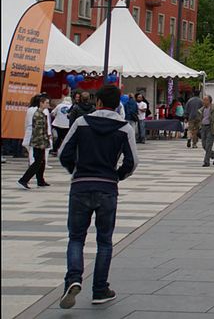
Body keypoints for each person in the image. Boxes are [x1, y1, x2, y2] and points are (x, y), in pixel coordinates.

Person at [57, 84, 137, 309]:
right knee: (104, 240)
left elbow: (64, 153)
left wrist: (75, 171)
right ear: (117, 104)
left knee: (76, 237)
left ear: (98, 102)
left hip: (81, 186)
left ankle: (73, 279)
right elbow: (133, 162)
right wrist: (117, 176)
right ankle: (100, 289)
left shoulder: (82, 123)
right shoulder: (124, 128)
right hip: (107, 188)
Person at [18, 94, 52, 189]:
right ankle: (24, 179)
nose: (48, 104)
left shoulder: (42, 113)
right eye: (46, 103)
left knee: (42, 161)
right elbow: (38, 130)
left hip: (41, 141)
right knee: (38, 162)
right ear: (41, 103)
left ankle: (40, 180)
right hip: (38, 142)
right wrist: (42, 142)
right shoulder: (37, 114)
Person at [197, 95, 214, 167]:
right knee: (204, 145)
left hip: (211, 128)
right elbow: (200, 118)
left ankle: (206, 162)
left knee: (208, 145)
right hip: (203, 128)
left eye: (205, 100)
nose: (203, 101)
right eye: (203, 100)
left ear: (209, 101)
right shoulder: (202, 109)